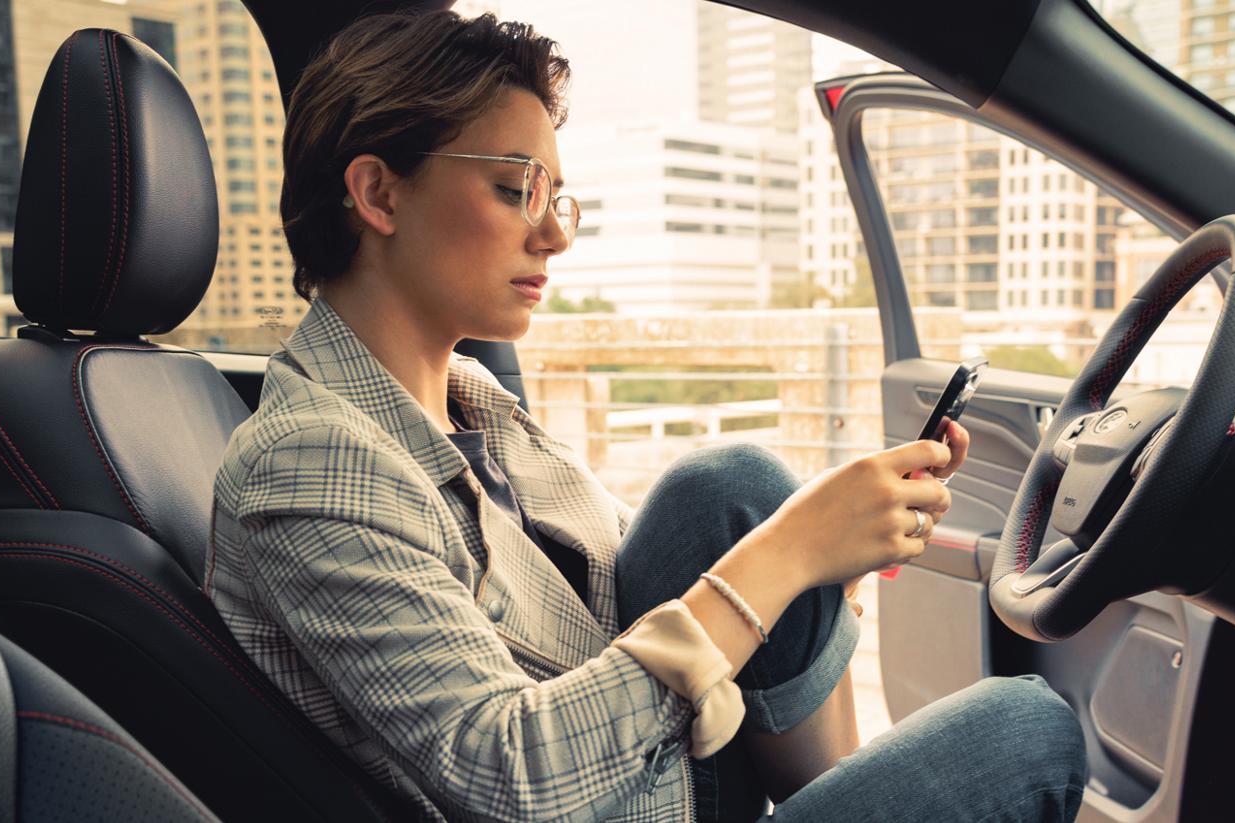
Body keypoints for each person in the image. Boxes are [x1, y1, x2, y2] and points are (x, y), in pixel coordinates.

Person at [204, 10, 1085, 822]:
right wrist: (793, 552)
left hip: (654, 768)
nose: (552, 236)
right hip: (587, 790)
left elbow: (675, 578)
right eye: (516, 189)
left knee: (731, 488)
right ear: (380, 194)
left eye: (556, 199)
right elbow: (510, 773)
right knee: (1027, 728)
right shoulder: (309, 459)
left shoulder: (475, 404)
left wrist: (831, 543)